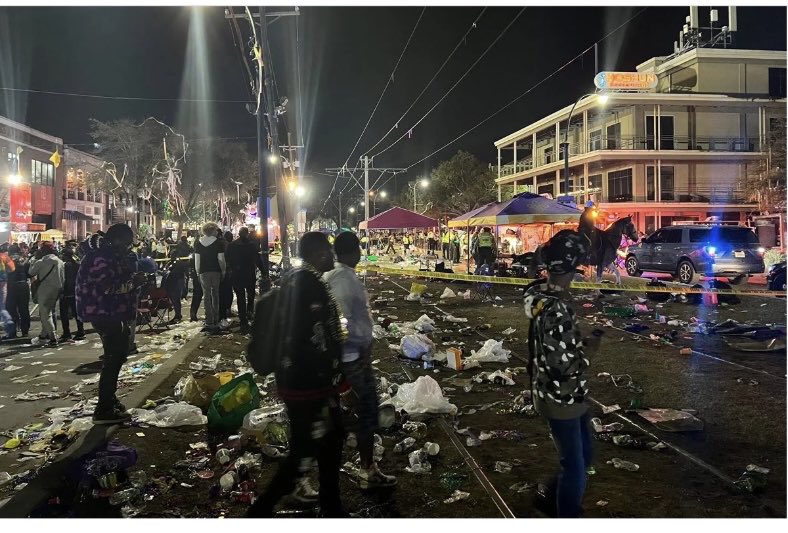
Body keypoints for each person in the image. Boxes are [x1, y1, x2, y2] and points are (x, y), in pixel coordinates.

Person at [247, 232, 346, 518]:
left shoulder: (298, 279)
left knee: (331, 439)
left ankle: (331, 506)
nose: (332, 255)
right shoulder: (310, 285)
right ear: (317, 254)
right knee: (305, 449)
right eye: (327, 250)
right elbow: (317, 336)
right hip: (308, 383)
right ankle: (260, 511)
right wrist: (333, 371)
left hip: (299, 380)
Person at [523, 230, 598, 518]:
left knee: (583, 455)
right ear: (571, 267)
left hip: (558, 392)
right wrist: (590, 350)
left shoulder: (542, 296)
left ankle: (550, 497)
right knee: (575, 467)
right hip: (561, 396)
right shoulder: (556, 309)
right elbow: (563, 365)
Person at [324, 232, 397, 489]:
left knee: (357, 412)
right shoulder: (343, 280)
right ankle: (367, 470)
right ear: (354, 251)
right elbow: (340, 322)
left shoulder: (337, 276)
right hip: (351, 360)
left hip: (350, 358)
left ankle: (360, 464)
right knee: (364, 411)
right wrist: (359, 346)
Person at [77, 224, 146, 424]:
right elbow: (107, 287)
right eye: (126, 242)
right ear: (116, 240)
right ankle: (104, 408)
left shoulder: (110, 256)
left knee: (117, 355)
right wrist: (134, 283)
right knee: (113, 358)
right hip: (104, 312)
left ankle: (109, 399)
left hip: (111, 311)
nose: (128, 246)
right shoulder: (101, 258)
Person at [225, 227, 263, 334]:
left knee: (240, 298)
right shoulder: (251, 245)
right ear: (247, 234)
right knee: (250, 295)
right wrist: (263, 271)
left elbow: (227, 259)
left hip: (237, 274)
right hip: (249, 274)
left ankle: (243, 320)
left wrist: (230, 270)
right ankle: (249, 313)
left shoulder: (231, 246)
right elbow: (257, 260)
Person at [29, 243, 65, 347]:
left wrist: (34, 261)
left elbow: (31, 272)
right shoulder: (60, 262)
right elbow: (63, 278)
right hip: (56, 290)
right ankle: (43, 336)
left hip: (44, 290)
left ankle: (53, 339)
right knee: (48, 312)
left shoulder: (41, 262)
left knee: (45, 315)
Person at [195, 222, 226, 333]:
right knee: (215, 294)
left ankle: (209, 319)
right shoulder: (218, 243)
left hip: (203, 271)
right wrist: (223, 270)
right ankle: (216, 318)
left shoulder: (198, 243)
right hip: (216, 271)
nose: (217, 232)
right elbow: (221, 259)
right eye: (216, 230)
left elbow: (197, 260)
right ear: (213, 231)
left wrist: (198, 272)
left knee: (206, 295)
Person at [58, 249, 85, 341]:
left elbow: (64, 279)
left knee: (64, 314)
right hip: (76, 292)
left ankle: (67, 333)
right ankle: (81, 331)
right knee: (77, 313)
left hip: (66, 292)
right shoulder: (78, 264)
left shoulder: (65, 266)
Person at [6, 245, 30, 339]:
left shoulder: (6, 260)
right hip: (23, 285)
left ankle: (12, 332)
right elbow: (29, 274)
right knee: (24, 309)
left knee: (11, 309)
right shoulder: (25, 260)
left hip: (11, 286)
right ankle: (25, 331)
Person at [165, 245, 188, 323]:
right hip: (171, 283)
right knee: (174, 300)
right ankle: (177, 314)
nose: (171, 256)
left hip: (177, 283)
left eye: (173, 255)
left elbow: (176, 272)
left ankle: (178, 315)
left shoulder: (178, 263)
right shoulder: (170, 263)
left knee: (176, 300)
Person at [0, 244, 16, 339]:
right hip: (3, 284)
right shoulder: (5, 257)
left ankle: (9, 323)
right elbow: (12, 269)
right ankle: (9, 325)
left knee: (1, 309)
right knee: (2, 307)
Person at [219, 231, 234, 322]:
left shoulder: (218, 244)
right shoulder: (229, 245)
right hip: (227, 271)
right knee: (228, 291)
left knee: (221, 292)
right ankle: (226, 310)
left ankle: (221, 312)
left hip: (220, 271)